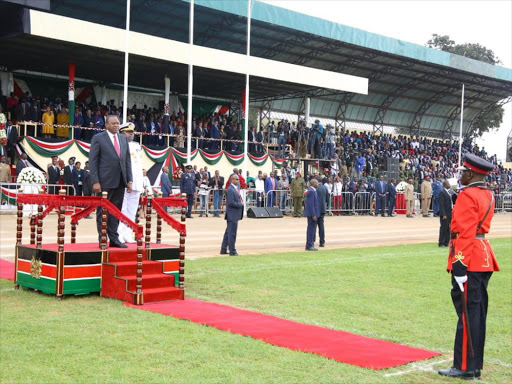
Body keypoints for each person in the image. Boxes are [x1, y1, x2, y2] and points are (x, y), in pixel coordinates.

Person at [438, 154, 500, 381]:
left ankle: (464, 366)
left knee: (466, 313)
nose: (460, 175)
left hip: (469, 258)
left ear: (471, 174)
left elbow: (464, 233)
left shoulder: (467, 196)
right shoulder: (488, 195)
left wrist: (459, 267)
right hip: (483, 255)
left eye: (463, 171)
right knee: (477, 313)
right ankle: (474, 365)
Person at [89, 115, 133, 248]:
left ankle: (114, 239)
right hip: (104, 182)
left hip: (120, 181)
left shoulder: (123, 139)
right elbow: (93, 161)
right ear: (106, 125)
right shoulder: (98, 138)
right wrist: (95, 181)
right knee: (102, 212)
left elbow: (127, 162)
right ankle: (102, 239)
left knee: (116, 211)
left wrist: (129, 180)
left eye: (118, 123)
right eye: (113, 123)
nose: (116, 126)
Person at [117, 123, 145, 242]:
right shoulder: (118, 145)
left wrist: (141, 184)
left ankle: (128, 234)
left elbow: (138, 166)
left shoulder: (136, 146)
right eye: (128, 132)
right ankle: (119, 234)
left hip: (137, 183)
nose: (131, 134)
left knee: (132, 211)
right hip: (124, 182)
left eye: (132, 132)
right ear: (122, 133)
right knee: (122, 210)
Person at [220, 174, 243, 256]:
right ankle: (232, 250)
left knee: (228, 233)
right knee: (232, 233)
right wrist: (240, 204)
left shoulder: (235, 189)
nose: (238, 180)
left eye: (238, 179)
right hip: (232, 214)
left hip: (234, 214)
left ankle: (223, 249)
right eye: (237, 179)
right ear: (232, 179)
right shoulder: (230, 189)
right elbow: (231, 203)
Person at [304, 178, 320, 251]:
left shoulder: (313, 191)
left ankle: (310, 244)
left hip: (313, 213)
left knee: (312, 230)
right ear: (313, 183)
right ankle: (309, 245)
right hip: (312, 214)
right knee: (311, 230)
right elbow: (311, 204)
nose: (317, 184)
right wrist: (313, 215)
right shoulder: (311, 191)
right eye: (316, 183)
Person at [438, 180, 453, 247]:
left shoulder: (449, 192)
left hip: (449, 212)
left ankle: (446, 242)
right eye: (448, 184)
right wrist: (443, 214)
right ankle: (441, 242)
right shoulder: (442, 192)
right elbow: (441, 204)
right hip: (445, 213)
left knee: (448, 228)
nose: (449, 185)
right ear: (444, 185)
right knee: (444, 228)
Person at [315, 176, 328, 247]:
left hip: (316, 209)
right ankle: (322, 241)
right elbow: (327, 199)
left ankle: (312, 241)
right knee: (321, 226)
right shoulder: (325, 188)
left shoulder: (315, 188)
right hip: (322, 209)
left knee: (313, 226)